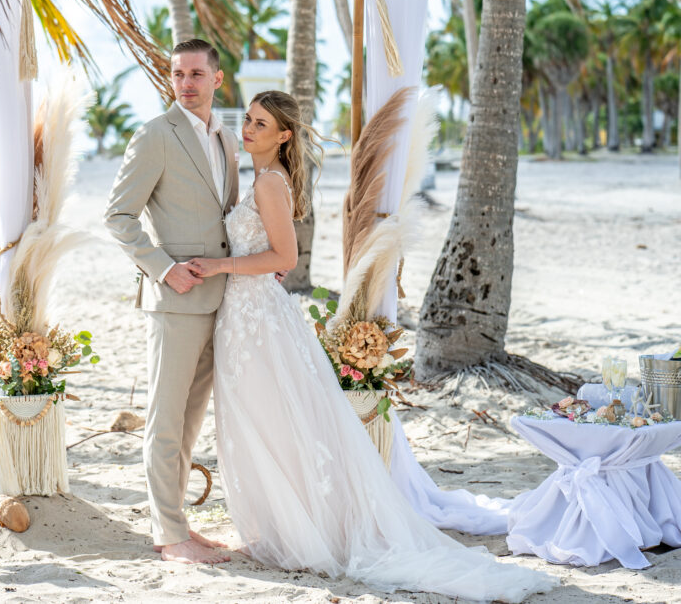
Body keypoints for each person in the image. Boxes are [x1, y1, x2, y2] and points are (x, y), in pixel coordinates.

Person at [185, 90, 558, 601]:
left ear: (284, 135)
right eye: (248, 119)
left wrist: (219, 266)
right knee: (260, 423)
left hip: (260, 320)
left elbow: (284, 259)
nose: (248, 129)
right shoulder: (255, 181)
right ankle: (275, 529)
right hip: (242, 318)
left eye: (261, 123)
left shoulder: (272, 184)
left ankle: (302, 532)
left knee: (275, 421)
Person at [104, 38, 239, 564]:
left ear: (216, 79)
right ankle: (168, 535)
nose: (186, 83)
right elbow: (118, 217)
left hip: (221, 299)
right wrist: (163, 268)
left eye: (196, 74)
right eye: (177, 73)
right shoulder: (155, 135)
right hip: (175, 301)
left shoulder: (226, 139)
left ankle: (181, 525)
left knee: (189, 423)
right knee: (165, 422)